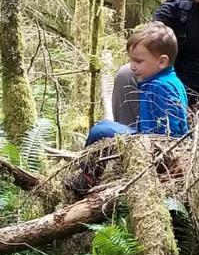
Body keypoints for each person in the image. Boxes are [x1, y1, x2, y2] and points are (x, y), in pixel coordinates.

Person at [66, 22, 188, 196]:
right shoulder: (162, 81)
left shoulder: (161, 87)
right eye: (131, 60)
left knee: (100, 131)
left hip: (154, 149)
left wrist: (161, 158)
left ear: (162, 61)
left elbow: (171, 131)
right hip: (150, 143)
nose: (132, 66)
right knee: (105, 126)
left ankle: (86, 178)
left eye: (138, 61)